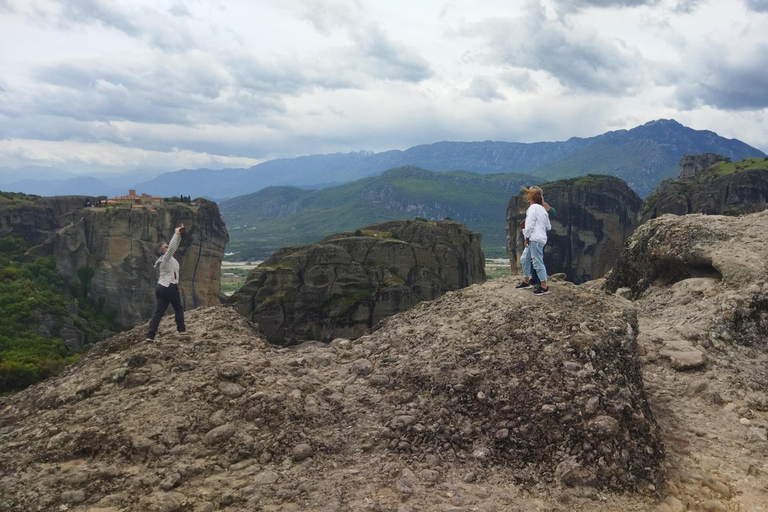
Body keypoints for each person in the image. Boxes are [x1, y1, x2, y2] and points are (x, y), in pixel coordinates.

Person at [146, 223, 187, 342]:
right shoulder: (165, 258)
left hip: (161, 288)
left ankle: (150, 335)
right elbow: (173, 248)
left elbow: (174, 247)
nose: (168, 247)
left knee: (158, 312)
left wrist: (179, 236)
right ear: (162, 251)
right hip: (169, 286)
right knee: (178, 308)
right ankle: (182, 330)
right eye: (166, 247)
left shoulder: (163, 260)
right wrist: (176, 234)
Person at [516, 189, 551, 295]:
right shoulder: (543, 210)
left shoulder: (532, 209)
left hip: (533, 239)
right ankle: (526, 281)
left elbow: (529, 225)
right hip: (540, 238)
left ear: (531, 198)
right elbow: (548, 227)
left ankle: (544, 287)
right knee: (525, 258)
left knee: (537, 261)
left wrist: (526, 237)